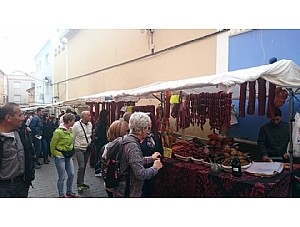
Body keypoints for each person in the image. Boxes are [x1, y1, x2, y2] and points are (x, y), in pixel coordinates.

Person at [112, 112, 163, 198]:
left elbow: (135, 161)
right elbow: (141, 174)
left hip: (121, 189)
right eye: (148, 128)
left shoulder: (126, 139)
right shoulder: (132, 146)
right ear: (143, 129)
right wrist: (155, 168)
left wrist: (151, 158)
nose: (148, 131)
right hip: (128, 192)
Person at [0, 102, 36, 197]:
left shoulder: (22, 132)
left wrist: (30, 176)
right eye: (19, 115)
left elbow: (31, 153)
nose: (23, 118)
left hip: (22, 184)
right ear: (8, 118)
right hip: (3, 188)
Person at [50, 113, 78, 198]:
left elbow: (72, 141)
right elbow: (52, 144)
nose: (74, 122)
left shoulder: (71, 130)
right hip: (60, 156)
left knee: (71, 174)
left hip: (68, 155)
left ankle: (69, 192)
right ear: (69, 121)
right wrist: (53, 153)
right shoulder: (58, 131)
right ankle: (61, 194)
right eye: (73, 120)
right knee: (62, 177)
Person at [100, 118, 129, 197]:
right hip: (120, 183)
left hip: (108, 182)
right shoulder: (123, 147)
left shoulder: (106, 147)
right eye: (127, 131)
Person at [140, 112, 163, 197]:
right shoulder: (140, 136)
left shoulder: (157, 135)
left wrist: (158, 164)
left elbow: (160, 151)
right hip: (142, 168)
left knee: (149, 191)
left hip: (153, 168)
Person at [72, 111, 93, 192]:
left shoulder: (90, 124)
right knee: (81, 166)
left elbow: (89, 135)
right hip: (79, 148)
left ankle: (82, 182)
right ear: (83, 117)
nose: (90, 116)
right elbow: (73, 137)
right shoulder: (76, 126)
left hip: (87, 148)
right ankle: (79, 184)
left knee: (84, 167)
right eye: (89, 115)